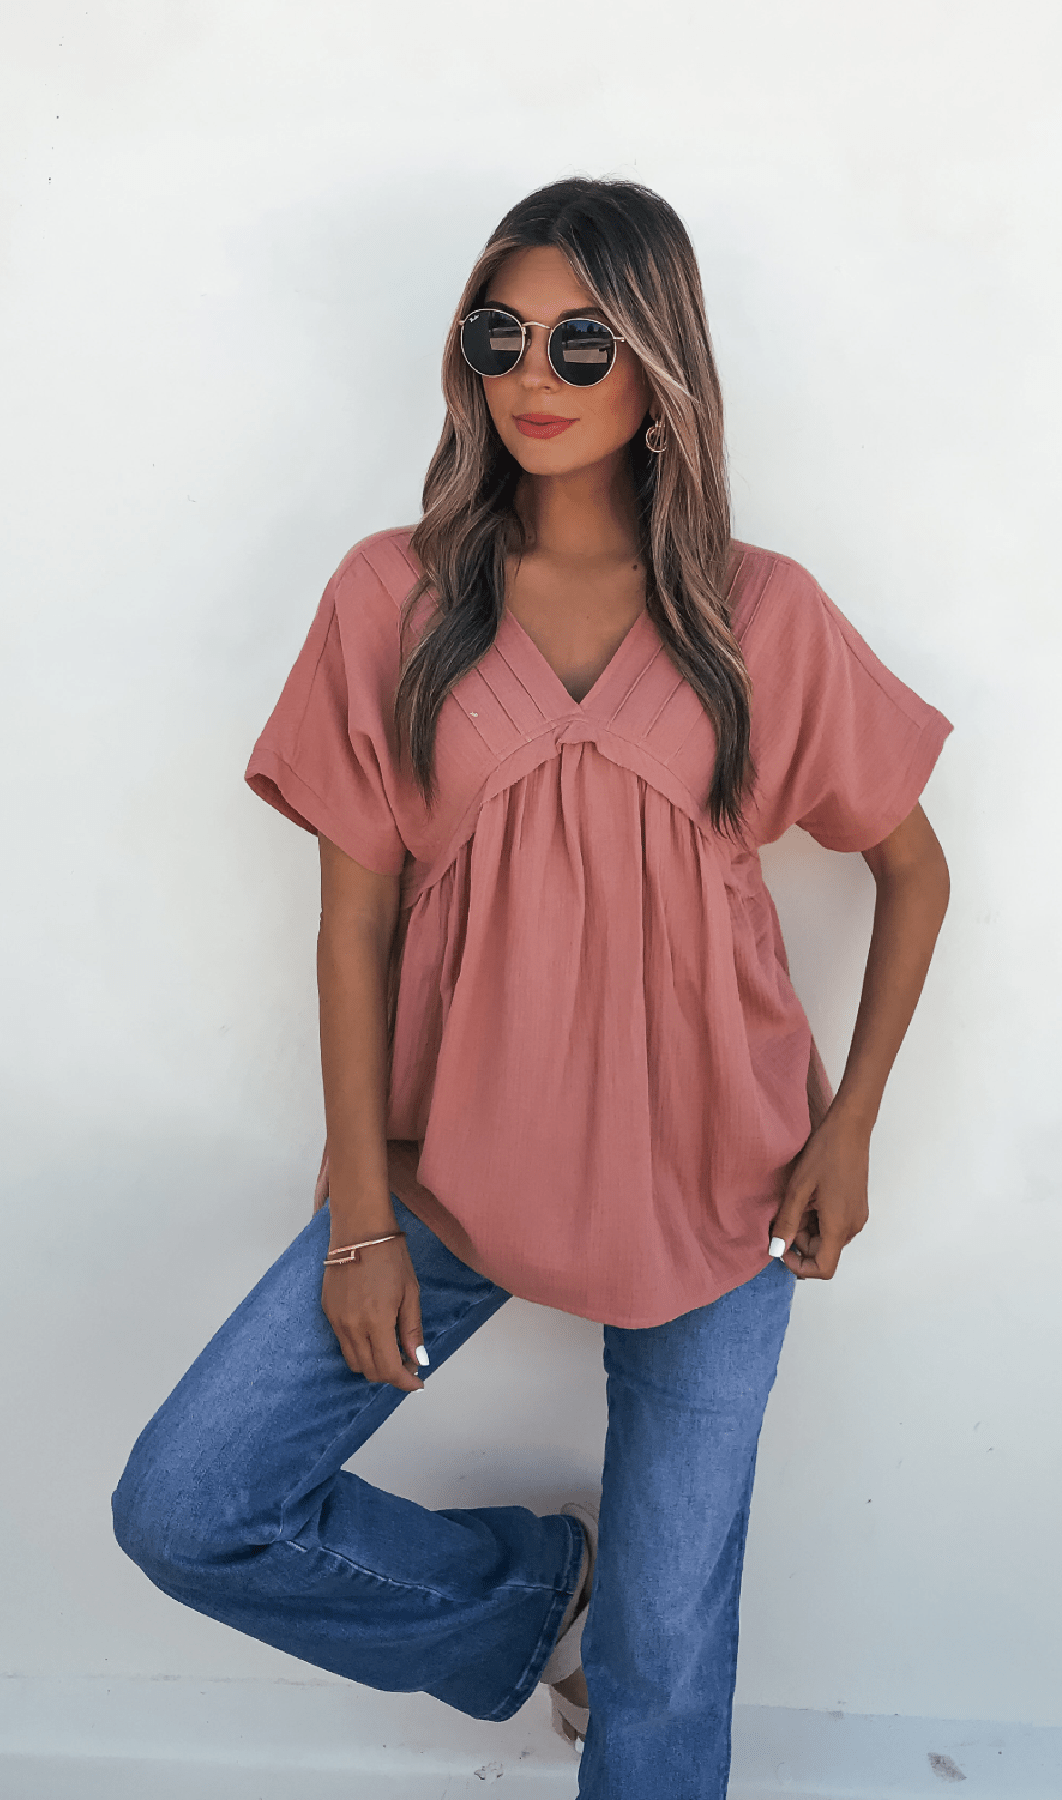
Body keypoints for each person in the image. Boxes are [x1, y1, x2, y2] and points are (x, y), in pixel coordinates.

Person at [112, 176, 952, 1799]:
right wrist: (363, 1212)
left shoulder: (758, 614)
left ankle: (600, 1621)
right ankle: (525, 1597)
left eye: (582, 340)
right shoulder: (394, 594)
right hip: (451, 1179)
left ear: (659, 370)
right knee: (193, 1507)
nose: (535, 376)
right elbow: (351, 924)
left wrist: (848, 1126)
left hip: (725, 1189)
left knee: (665, 1664)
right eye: (501, 336)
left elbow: (913, 868)